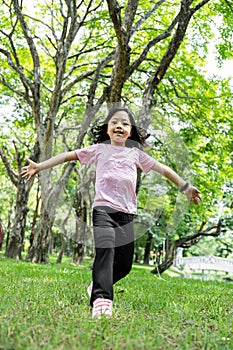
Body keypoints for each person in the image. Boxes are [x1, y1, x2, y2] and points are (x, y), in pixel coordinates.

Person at [21, 107, 202, 319]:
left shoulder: (136, 154)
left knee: (124, 265)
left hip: (126, 213)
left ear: (130, 131)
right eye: (114, 122)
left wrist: (186, 187)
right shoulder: (98, 149)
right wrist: (39, 166)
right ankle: (101, 299)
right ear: (107, 129)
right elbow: (66, 156)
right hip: (103, 210)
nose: (119, 126)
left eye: (125, 123)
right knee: (105, 251)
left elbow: (164, 169)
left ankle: (97, 283)